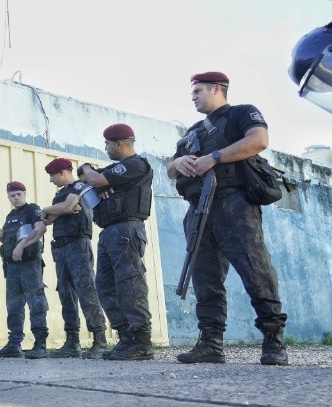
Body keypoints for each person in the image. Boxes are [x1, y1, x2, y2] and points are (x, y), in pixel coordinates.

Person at [167, 72, 288, 366]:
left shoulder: (240, 113)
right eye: (191, 92)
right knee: (205, 276)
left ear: (217, 89)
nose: (193, 96)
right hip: (198, 206)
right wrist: (177, 163)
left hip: (234, 203)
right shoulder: (192, 131)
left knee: (253, 267)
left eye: (198, 91)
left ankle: (273, 339)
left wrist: (215, 157)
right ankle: (210, 343)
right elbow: (171, 170)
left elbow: (258, 140)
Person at [78, 123, 154, 361]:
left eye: (108, 144)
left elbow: (94, 179)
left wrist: (92, 173)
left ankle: (142, 340)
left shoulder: (135, 164)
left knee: (130, 283)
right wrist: (93, 176)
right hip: (110, 231)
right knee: (104, 284)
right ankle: (126, 337)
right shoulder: (116, 169)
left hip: (127, 228)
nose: (106, 148)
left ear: (120, 144)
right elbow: (88, 179)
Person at [41, 158, 108, 359]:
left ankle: (100, 340)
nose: (51, 180)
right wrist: (56, 209)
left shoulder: (79, 185)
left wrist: (52, 209)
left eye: (52, 176)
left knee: (86, 290)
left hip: (77, 244)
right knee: (65, 293)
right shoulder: (59, 195)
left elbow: (68, 208)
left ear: (62, 172)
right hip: (60, 248)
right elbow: (48, 219)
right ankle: (72, 341)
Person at [0, 181, 49, 359]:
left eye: (18, 194)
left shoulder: (32, 210)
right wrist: (2, 238)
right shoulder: (10, 216)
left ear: (24, 194)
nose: (15, 198)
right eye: (12, 195)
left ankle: (40, 344)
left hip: (30, 264)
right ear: (8, 197)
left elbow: (41, 229)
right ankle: (14, 345)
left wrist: (21, 246)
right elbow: (13, 242)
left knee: (36, 304)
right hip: (12, 267)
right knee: (14, 306)